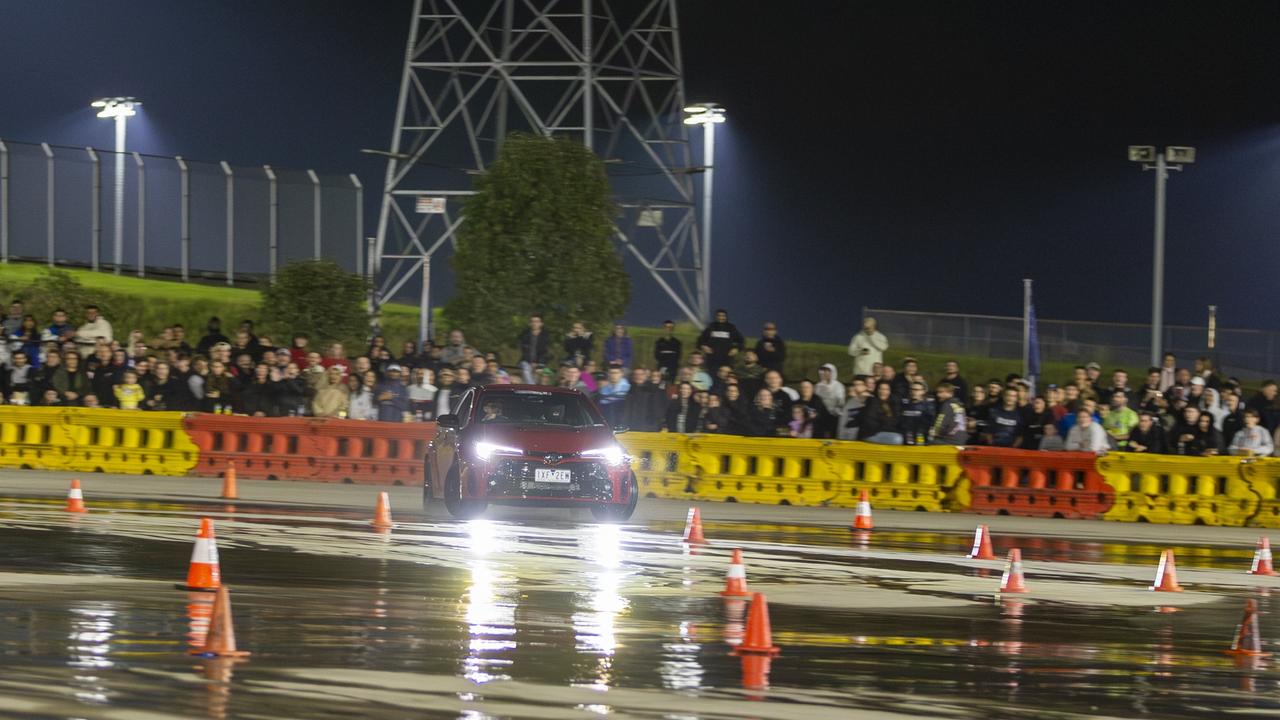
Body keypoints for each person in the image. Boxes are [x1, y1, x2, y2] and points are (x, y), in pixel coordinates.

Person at [898, 381, 935, 445]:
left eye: (917, 390)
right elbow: (900, 421)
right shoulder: (904, 404)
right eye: (911, 389)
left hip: (921, 438)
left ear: (923, 391)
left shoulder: (928, 406)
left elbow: (930, 425)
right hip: (905, 437)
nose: (913, 392)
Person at [517, 315, 551, 384]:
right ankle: (532, 387)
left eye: (537, 321)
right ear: (530, 323)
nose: (534, 323)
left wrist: (538, 363)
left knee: (539, 373)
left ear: (541, 323)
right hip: (526, 361)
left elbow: (545, 352)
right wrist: (531, 362)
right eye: (532, 321)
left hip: (541, 361)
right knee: (526, 369)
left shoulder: (545, 336)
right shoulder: (525, 335)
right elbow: (524, 351)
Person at [814, 363, 845, 435]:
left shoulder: (838, 386)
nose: (826, 373)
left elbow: (841, 402)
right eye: (824, 371)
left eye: (828, 371)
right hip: (821, 416)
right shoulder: (818, 386)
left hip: (834, 416)